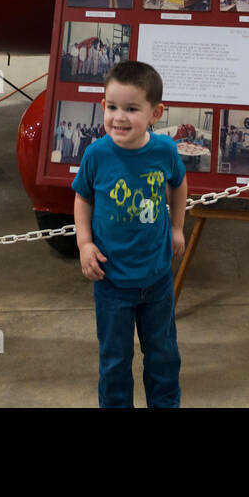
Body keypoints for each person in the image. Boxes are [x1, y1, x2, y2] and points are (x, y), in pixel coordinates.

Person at [73, 61, 187, 408]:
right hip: (111, 283)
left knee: (163, 356)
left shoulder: (164, 151)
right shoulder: (96, 155)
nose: (118, 118)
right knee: (115, 362)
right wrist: (84, 244)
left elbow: (179, 185)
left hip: (157, 280)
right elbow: (82, 197)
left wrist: (179, 227)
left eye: (131, 109)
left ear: (156, 113)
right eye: (111, 107)